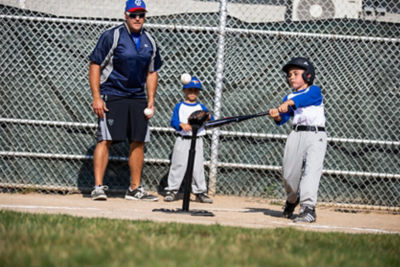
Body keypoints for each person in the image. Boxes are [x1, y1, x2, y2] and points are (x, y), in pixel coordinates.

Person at [88, 0, 162, 201]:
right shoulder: (112, 36)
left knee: (138, 141)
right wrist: (96, 97)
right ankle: (97, 187)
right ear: (125, 16)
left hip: (137, 97)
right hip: (113, 94)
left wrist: (151, 100)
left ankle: (134, 189)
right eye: (133, 14)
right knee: (105, 139)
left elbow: (152, 72)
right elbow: (95, 65)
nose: (137, 18)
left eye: (141, 14)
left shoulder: (150, 41)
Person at [268, 57, 327, 223]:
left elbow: (303, 100)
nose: (291, 77)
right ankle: (293, 200)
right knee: (289, 175)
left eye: (295, 73)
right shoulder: (289, 96)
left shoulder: (314, 91)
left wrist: (290, 103)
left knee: (311, 172)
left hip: (316, 136)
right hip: (295, 135)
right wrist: (277, 115)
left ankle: (308, 208)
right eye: (289, 75)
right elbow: (283, 119)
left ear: (308, 75)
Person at [164, 76, 214, 203]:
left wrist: (208, 116)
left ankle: (200, 192)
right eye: (190, 90)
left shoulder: (201, 107)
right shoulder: (179, 106)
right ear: (185, 91)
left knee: (197, 167)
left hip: (197, 139)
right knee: (178, 165)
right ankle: (172, 190)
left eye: (196, 91)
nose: (193, 93)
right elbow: (173, 121)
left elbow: (210, 119)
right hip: (182, 139)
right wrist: (181, 124)